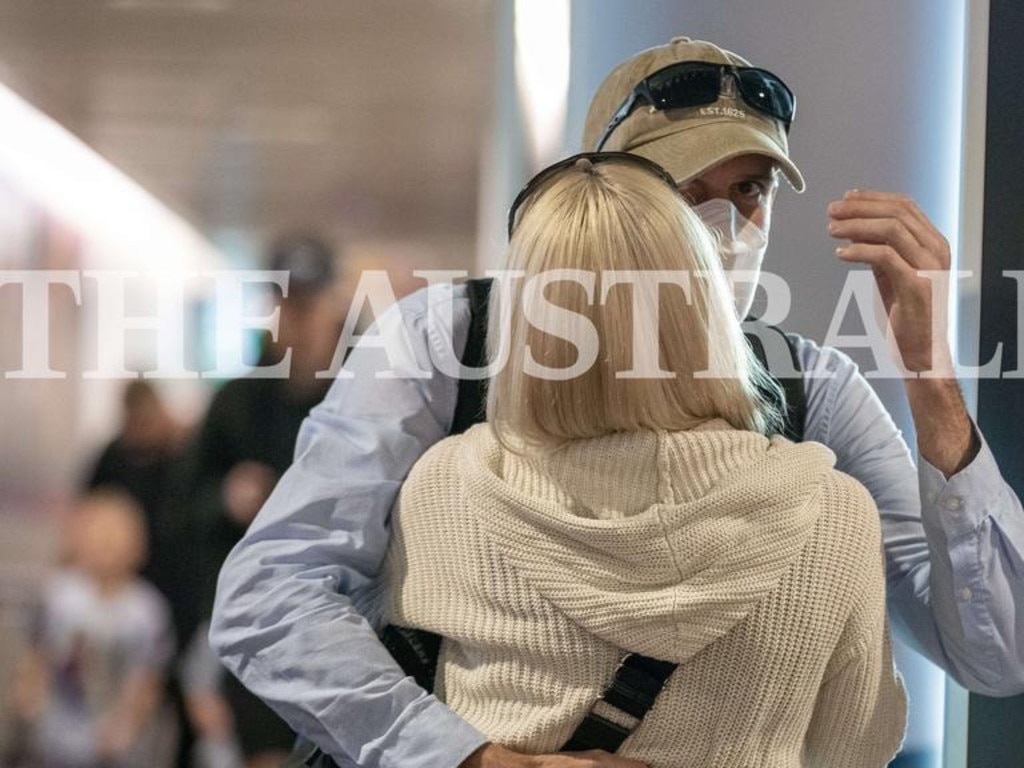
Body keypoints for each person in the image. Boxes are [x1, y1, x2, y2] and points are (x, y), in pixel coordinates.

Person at [210, 37, 1024, 768]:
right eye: (681, 191)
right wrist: (466, 757)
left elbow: (997, 652)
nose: (721, 224)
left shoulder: (807, 386)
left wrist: (930, 374)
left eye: (749, 189)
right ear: (604, 191)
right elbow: (272, 594)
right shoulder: (452, 340)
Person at [384, 153, 906, 767]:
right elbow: (856, 746)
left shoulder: (448, 488)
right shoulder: (836, 516)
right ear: (706, 306)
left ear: (523, 319)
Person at [183, 232, 346, 768]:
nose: (297, 319)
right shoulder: (235, 403)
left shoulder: (366, 397)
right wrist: (226, 498)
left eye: (307, 304)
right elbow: (180, 510)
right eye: (286, 304)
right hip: (254, 622)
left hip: (341, 621)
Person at [11, 490, 175, 768]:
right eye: (98, 533)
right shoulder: (58, 595)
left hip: (115, 747)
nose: (107, 543)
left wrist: (131, 723)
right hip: (53, 737)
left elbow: (149, 676)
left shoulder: (146, 610)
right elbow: (38, 654)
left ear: (139, 545)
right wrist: (27, 694)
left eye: (116, 535)